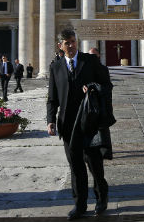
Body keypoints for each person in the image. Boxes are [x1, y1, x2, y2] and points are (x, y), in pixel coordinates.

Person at [47, 29, 113, 220]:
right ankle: (80, 204)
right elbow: (52, 98)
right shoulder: (55, 68)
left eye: (74, 42)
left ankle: (101, 199)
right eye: (67, 43)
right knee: (76, 168)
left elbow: (107, 85)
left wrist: (93, 88)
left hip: (89, 124)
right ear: (60, 46)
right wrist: (51, 120)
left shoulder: (90, 61)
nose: (71, 46)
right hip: (68, 126)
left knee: (95, 166)